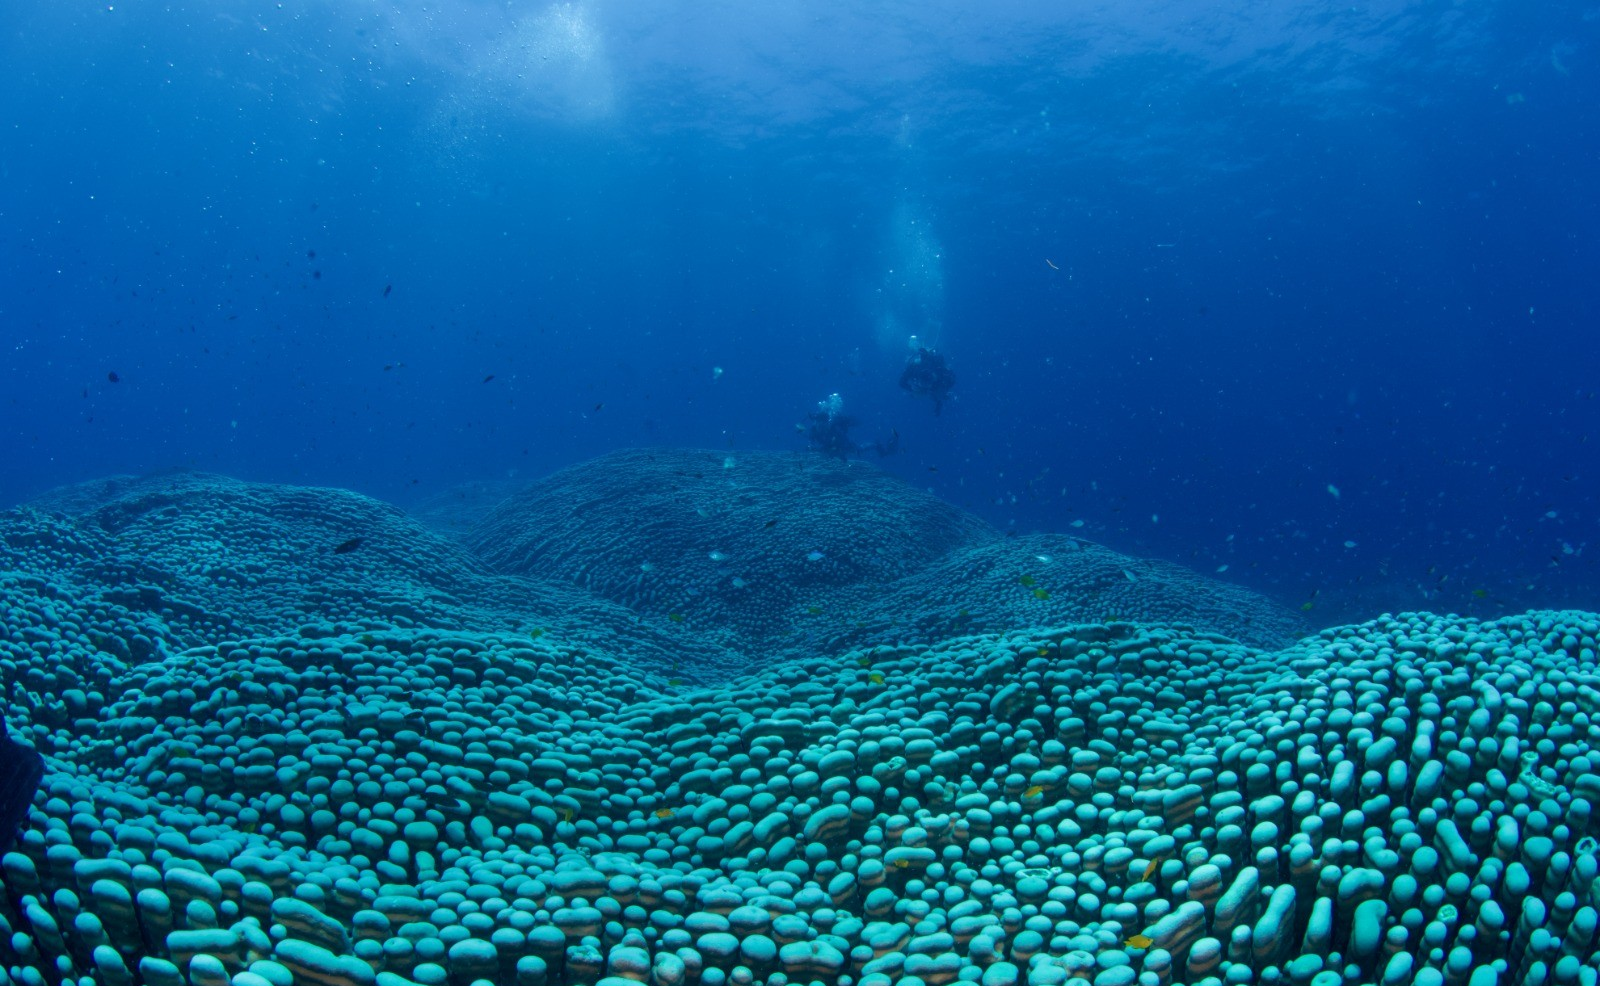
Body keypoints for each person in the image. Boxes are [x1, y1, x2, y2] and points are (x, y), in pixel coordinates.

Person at [899, 346, 955, 415]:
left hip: (935, 381)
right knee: (925, 393)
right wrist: (912, 389)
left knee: (937, 392)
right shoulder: (914, 367)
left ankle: (938, 398)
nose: (926, 385)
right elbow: (901, 382)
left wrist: (943, 390)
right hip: (924, 381)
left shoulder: (939, 369)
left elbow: (952, 379)